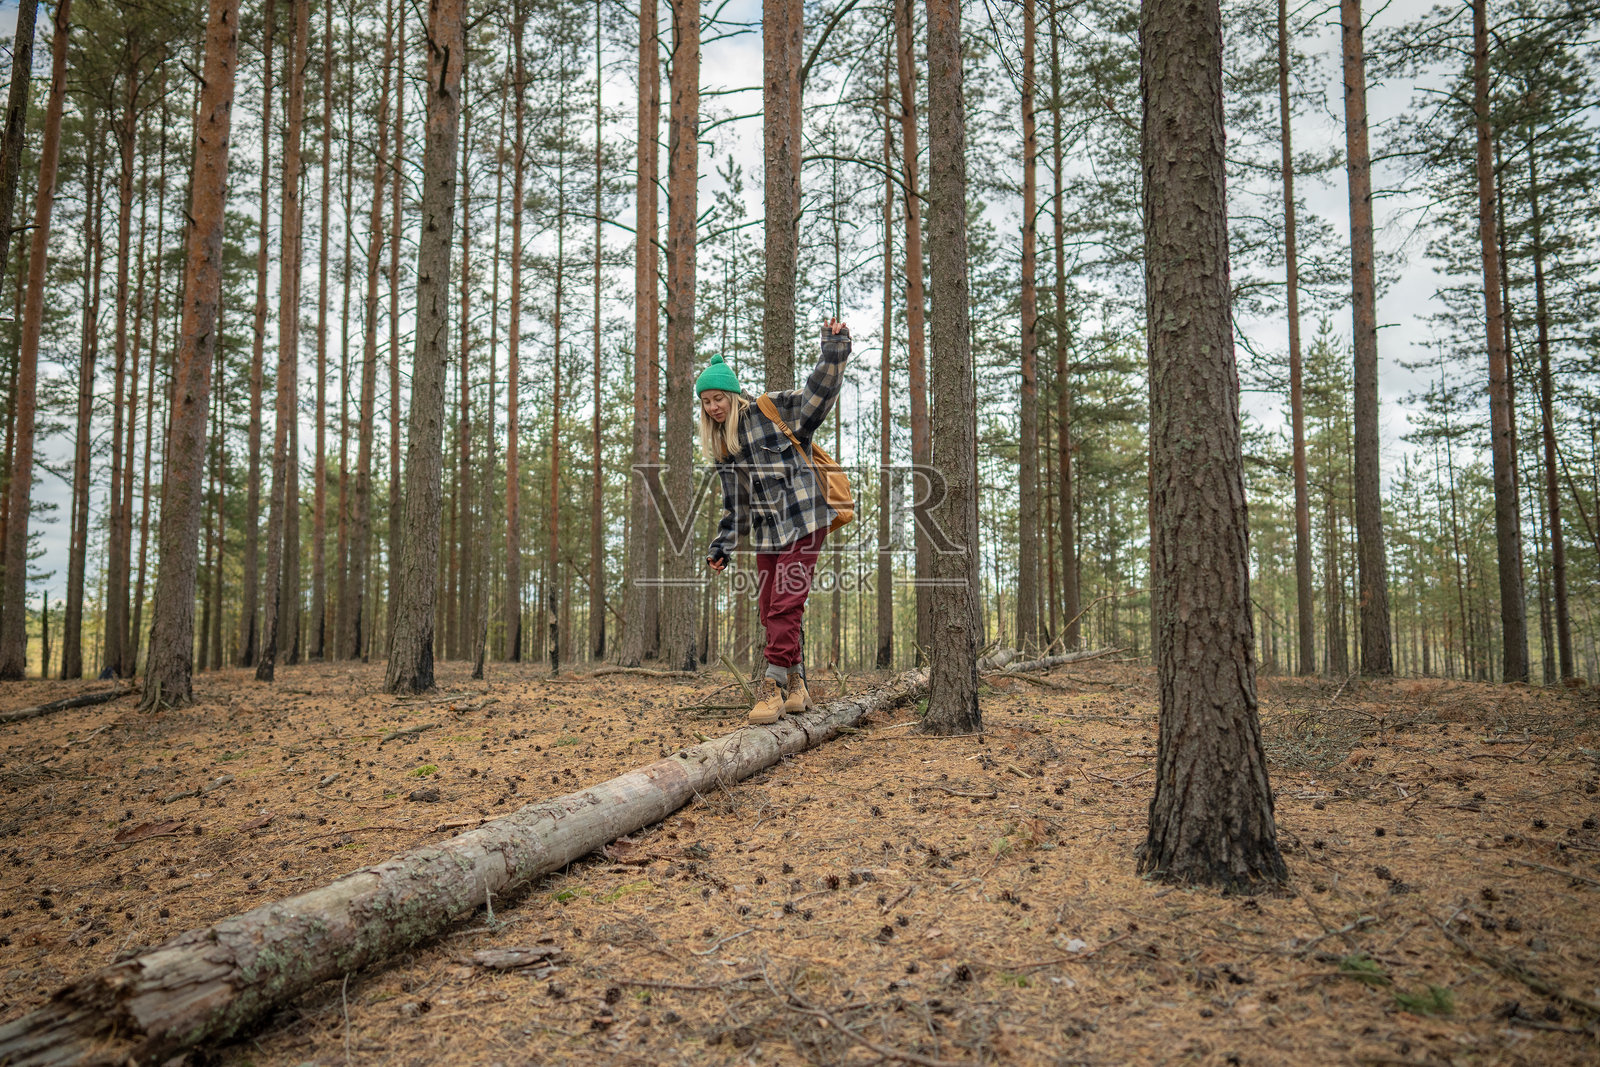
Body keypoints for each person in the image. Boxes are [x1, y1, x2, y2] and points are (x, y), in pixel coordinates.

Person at [701, 318, 851, 724]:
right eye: (706, 402)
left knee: (786, 600)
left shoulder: (771, 408)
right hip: (768, 532)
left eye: (719, 397)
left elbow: (815, 398)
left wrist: (833, 350)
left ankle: (772, 685)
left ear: (733, 394)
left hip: (804, 517)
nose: (714, 407)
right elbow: (737, 506)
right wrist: (722, 546)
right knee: (770, 609)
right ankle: (798, 683)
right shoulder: (724, 448)